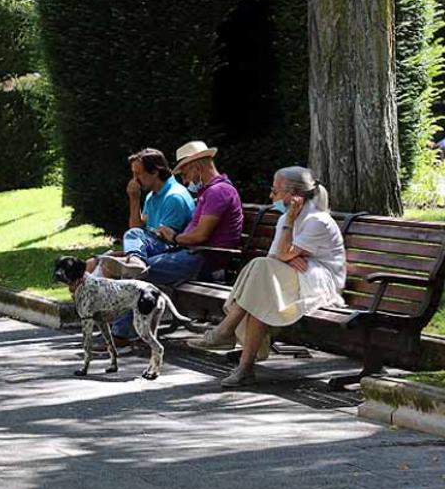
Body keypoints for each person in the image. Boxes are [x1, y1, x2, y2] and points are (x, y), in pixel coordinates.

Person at [188, 167, 345, 387]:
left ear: (294, 195)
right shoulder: (285, 220)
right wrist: (290, 257)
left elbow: (277, 256)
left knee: (260, 271)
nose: (272, 197)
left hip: (320, 282)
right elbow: (276, 257)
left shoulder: (317, 220)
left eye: (275, 191)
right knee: (260, 286)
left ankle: (225, 331)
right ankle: (244, 368)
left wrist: (287, 252)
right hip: (294, 276)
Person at [106, 141, 244, 348]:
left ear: (196, 167)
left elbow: (199, 235)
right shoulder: (209, 191)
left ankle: (119, 335)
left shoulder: (218, 192)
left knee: (134, 276)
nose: (184, 179)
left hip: (203, 260)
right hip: (191, 255)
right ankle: (135, 261)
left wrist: (174, 237)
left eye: (185, 173)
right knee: (134, 246)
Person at [88, 148, 195, 278]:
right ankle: (134, 260)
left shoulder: (174, 197)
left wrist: (127, 256)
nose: (134, 180)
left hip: (172, 255)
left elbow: (166, 242)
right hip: (151, 250)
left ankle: (134, 261)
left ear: (155, 171)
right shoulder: (152, 196)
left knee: (109, 267)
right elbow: (137, 228)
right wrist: (134, 199)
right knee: (91, 263)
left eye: (138, 174)